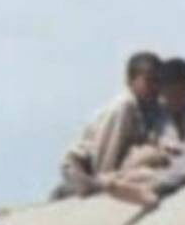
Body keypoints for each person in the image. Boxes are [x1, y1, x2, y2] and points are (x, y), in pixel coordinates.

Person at [106, 57, 185, 208]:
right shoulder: (163, 113)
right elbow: (154, 139)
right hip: (167, 161)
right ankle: (118, 181)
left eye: (178, 94)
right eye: (168, 95)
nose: (174, 100)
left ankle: (152, 189)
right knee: (143, 154)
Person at [51, 52, 166, 200]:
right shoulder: (123, 107)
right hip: (84, 170)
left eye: (159, 81)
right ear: (131, 81)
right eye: (149, 81)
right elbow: (105, 154)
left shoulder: (156, 107)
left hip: (117, 168)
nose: (155, 87)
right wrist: (104, 182)